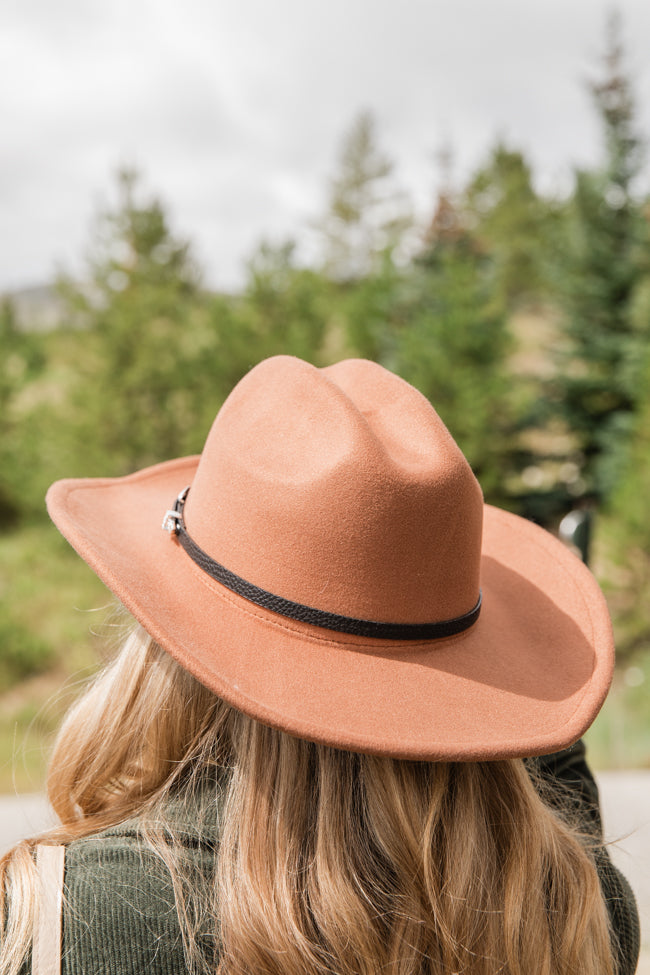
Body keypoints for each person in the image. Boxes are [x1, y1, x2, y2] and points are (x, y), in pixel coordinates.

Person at [0, 355, 640, 975]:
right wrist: (521, 692)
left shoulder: (61, 914)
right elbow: (561, 807)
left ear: (162, 646)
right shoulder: (577, 910)